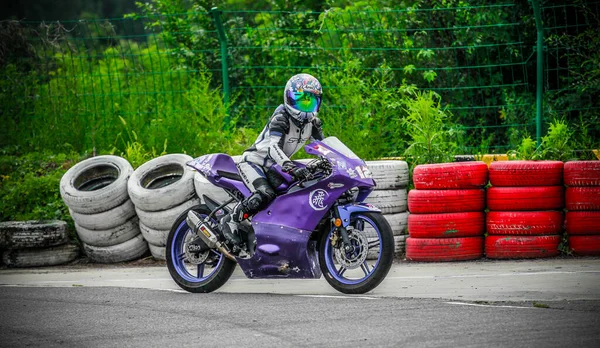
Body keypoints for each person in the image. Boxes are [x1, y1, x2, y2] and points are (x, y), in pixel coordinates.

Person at [220, 73, 325, 245]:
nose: (306, 106)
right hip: (254, 162)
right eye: (301, 100)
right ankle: (230, 219)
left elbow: (323, 147)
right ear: (289, 98)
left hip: (275, 167)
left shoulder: (313, 123)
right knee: (265, 195)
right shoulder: (281, 117)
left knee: (291, 195)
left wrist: (336, 162)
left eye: (310, 101)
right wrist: (290, 166)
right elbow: (273, 147)